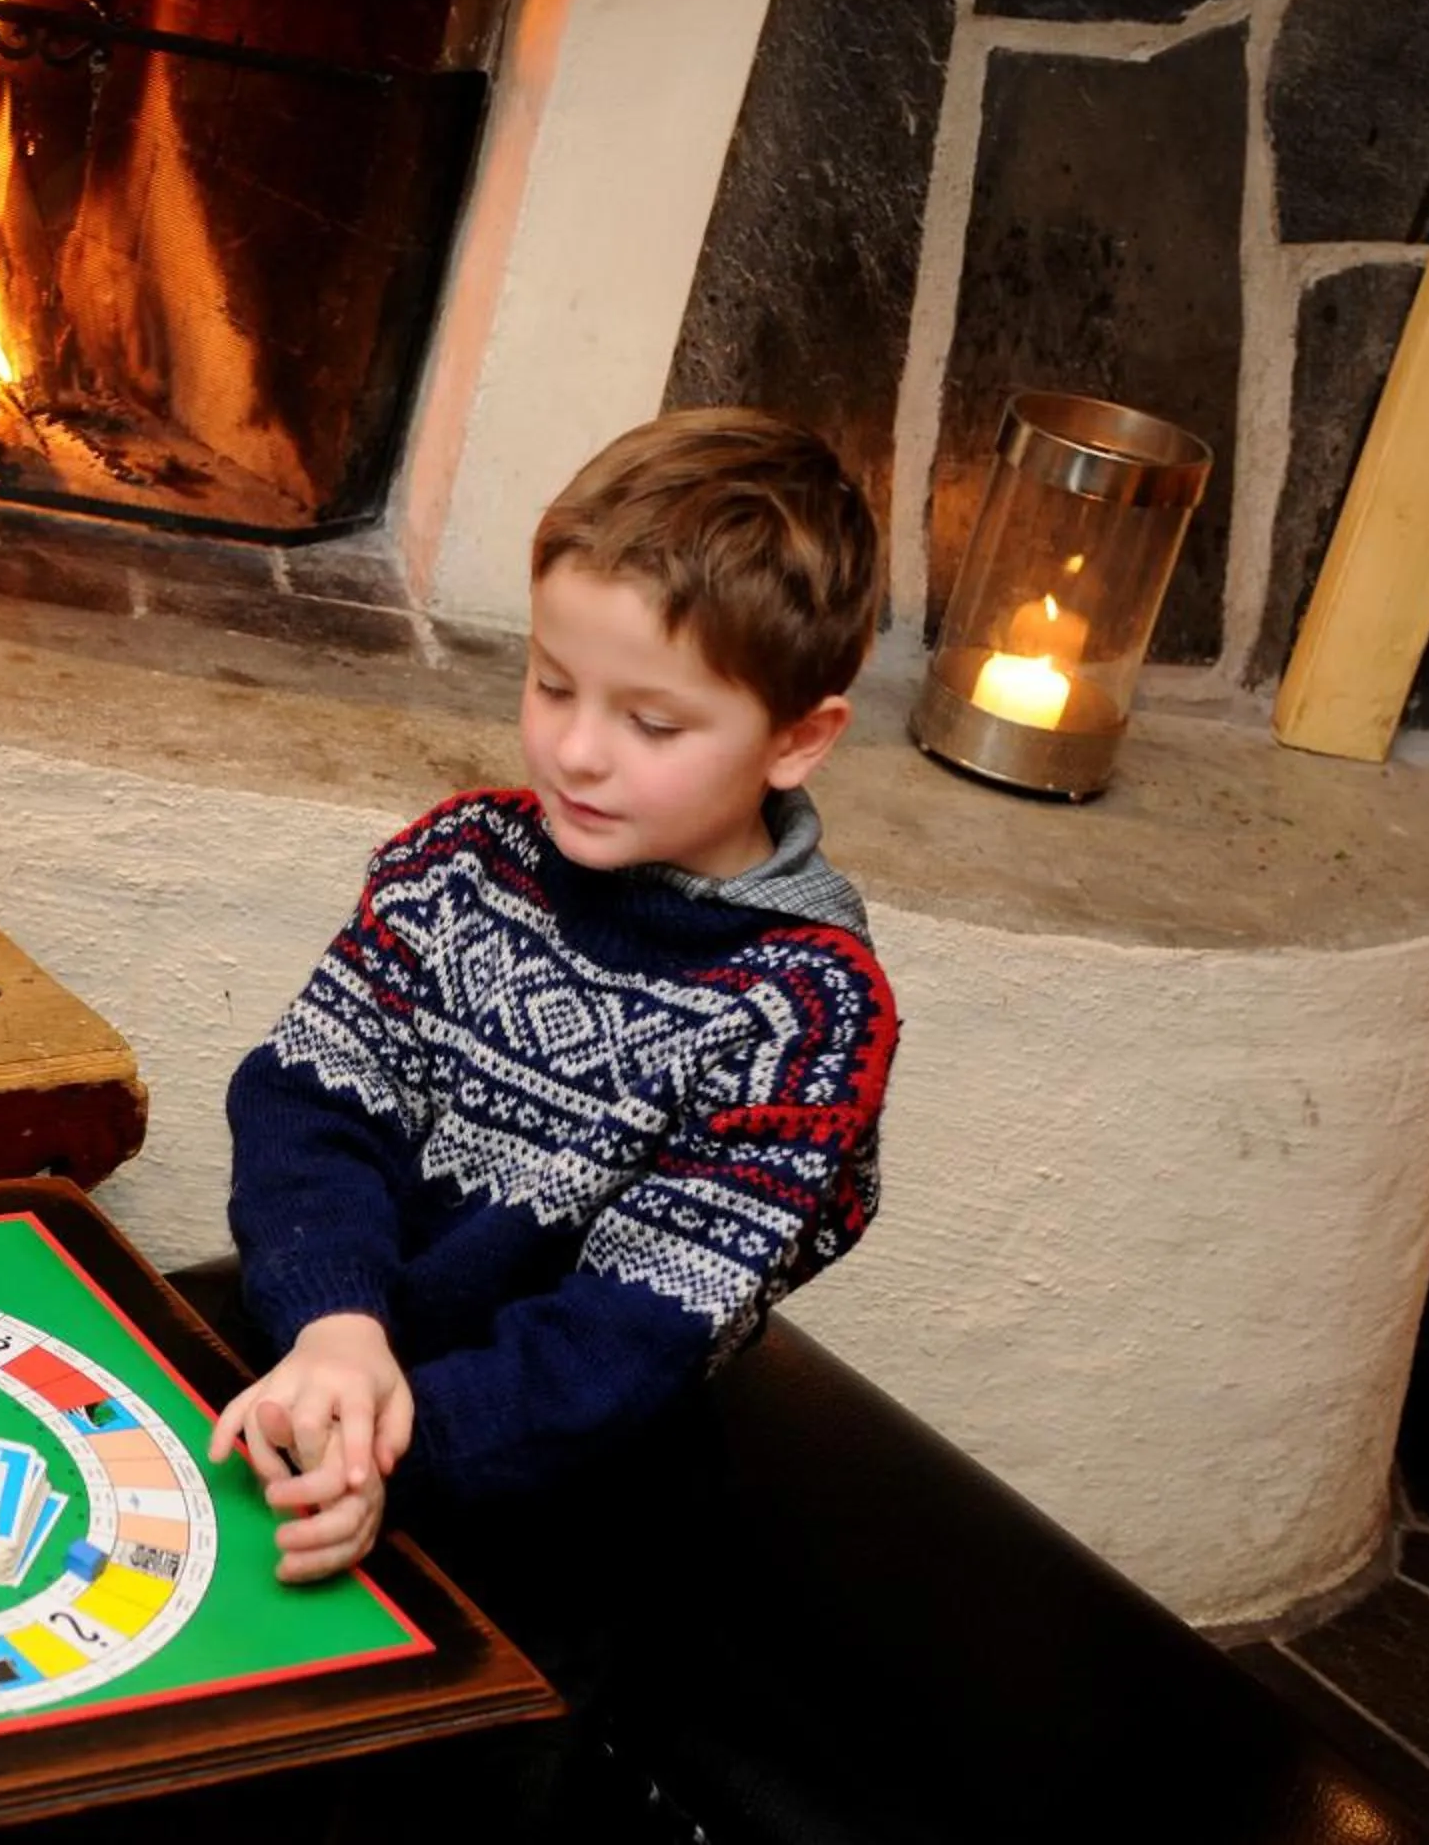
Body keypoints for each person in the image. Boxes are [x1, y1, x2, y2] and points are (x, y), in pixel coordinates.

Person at [192, 408, 901, 1793]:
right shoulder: (460, 862)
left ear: (799, 738)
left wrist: (386, 1457)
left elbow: (626, 1341)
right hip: (325, 1367)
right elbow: (308, 1100)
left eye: (651, 722)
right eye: (551, 683)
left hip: (555, 1500)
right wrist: (335, 1328)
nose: (576, 751)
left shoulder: (804, 1014)